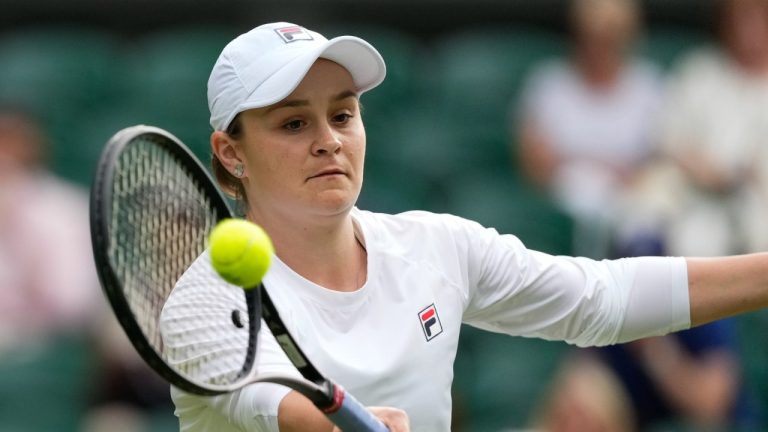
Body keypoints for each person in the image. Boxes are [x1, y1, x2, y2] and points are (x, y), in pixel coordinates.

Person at [161, 22, 768, 432]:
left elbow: (601, 297)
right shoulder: (202, 302)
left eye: (343, 115)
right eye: (294, 124)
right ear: (231, 153)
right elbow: (280, 410)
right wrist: (349, 422)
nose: (329, 141)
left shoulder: (435, 248)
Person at [516, 0, 663, 258]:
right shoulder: (549, 83)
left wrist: (628, 179)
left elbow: (662, 157)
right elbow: (535, 162)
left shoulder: (649, 85)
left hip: (634, 197)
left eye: (610, 38)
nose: (599, 48)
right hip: (566, 201)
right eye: (592, 37)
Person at [628, 0, 768, 257]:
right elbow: (666, 136)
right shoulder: (699, 71)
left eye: (758, 17)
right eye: (740, 19)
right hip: (697, 197)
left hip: (758, 205)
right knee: (655, 204)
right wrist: (705, 169)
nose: (749, 29)